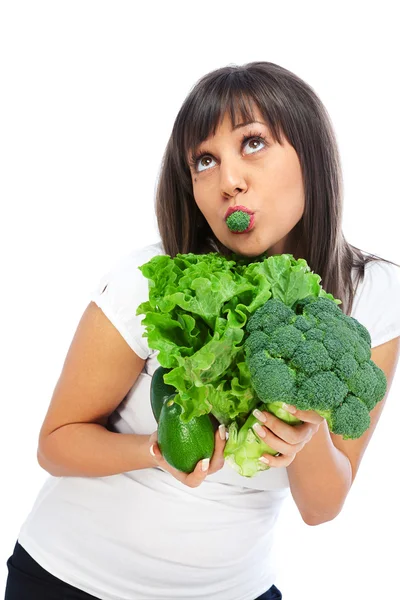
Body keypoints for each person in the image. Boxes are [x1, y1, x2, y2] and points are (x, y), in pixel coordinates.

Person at [5, 61, 400, 600]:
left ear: (310, 153)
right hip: (71, 580)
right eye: (204, 161)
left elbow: (322, 508)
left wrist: (304, 435)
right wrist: (155, 451)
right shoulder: (159, 281)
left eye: (253, 143)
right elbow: (55, 445)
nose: (228, 181)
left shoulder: (372, 295)